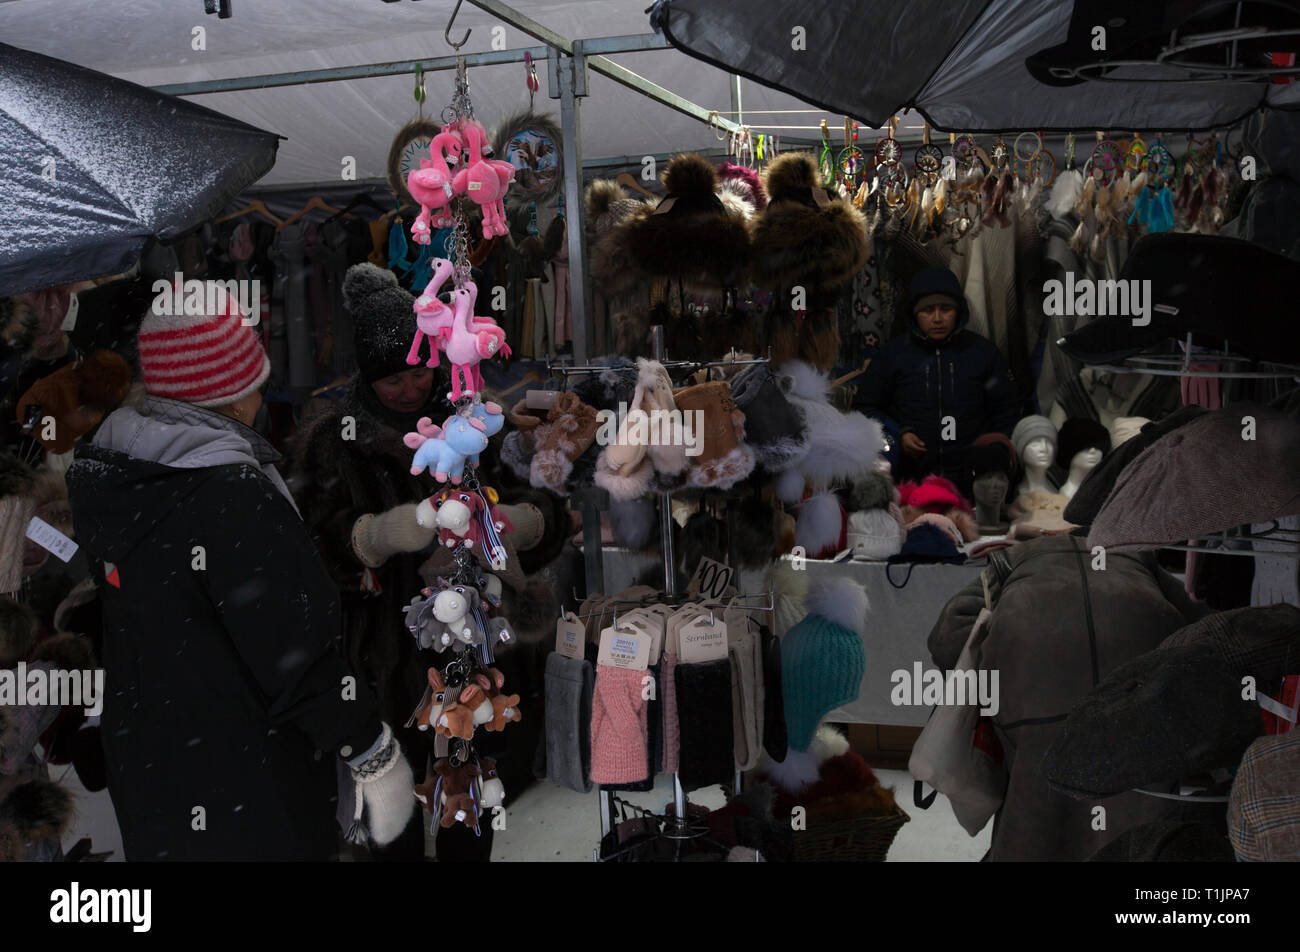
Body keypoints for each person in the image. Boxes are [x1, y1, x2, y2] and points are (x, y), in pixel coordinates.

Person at [65, 285, 411, 861]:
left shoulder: (116, 474)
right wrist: (371, 753)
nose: (260, 396)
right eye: (253, 382)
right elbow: (292, 650)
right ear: (230, 398)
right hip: (246, 781)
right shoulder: (229, 491)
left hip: (154, 773)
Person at [284, 263, 565, 862]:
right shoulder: (338, 440)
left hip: (476, 652)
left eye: (419, 372)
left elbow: (547, 501)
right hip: (384, 660)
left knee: (470, 799)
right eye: (392, 382)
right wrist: (379, 535)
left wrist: (524, 523)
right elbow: (311, 543)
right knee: (395, 820)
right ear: (367, 378)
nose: (410, 390)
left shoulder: (476, 419)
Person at [854, 267, 1022, 493]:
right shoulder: (892, 355)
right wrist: (898, 434)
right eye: (927, 310)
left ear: (958, 311)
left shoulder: (982, 354)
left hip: (974, 485)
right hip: (910, 483)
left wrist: (988, 454)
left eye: (946, 309)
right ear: (914, 313)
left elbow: (1007, 411)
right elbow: (866, 407)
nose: (937, 318)